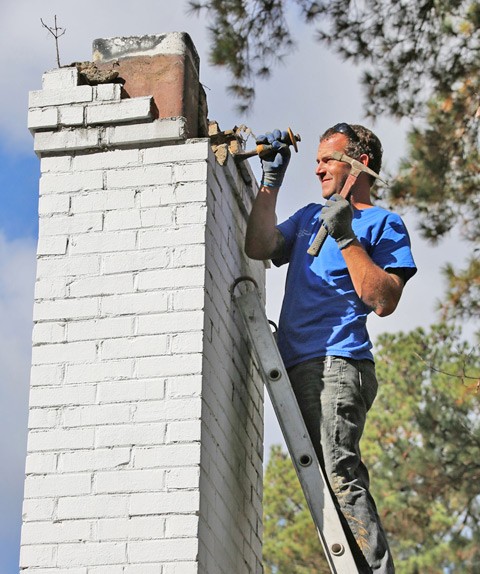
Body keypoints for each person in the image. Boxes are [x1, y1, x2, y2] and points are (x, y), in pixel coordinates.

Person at [245, 124, 417, 574]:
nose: (317, 167)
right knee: (323, 480)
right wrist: (270, 182)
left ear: (360, 165)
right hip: (295, 363)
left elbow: (383, 299)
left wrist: (346, 238)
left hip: (339, 363)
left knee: (339, 472)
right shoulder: (306, 217)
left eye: (329, 159)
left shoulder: (382, 223)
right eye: (317, 158)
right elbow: (259, 245)